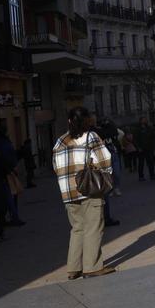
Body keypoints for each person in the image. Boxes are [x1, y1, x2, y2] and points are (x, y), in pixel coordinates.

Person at [52, 107, 117, 278]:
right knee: (93, 227)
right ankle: (92, 267)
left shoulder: (60, 141)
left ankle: (74, 268)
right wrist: (106, 176)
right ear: (87, 120)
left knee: (77, 228)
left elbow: (55, 166)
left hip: (67, 192)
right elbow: (105, 159)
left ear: (69, 121)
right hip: (89, 189)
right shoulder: (91, 137)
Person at [0, 125, 24, 227]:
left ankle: (5, 219)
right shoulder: (4, 143)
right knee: (11, 196)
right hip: (6, 172)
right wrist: (12, 169)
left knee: (3, 198)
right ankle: (14, 218)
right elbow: (9, 157)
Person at [134, 116, 155, 180]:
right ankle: (141, 176)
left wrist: (153, 144)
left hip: (149, 147)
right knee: (141, 163)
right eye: (143, 120)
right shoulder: (138, 129)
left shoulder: (149, 128)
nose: (144, 121)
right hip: (141, 148)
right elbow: (136, 139)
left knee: (150, 162)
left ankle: (152, 175)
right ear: (140, 121)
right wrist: (138, 147)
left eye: (145, 120)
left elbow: (153, 135)